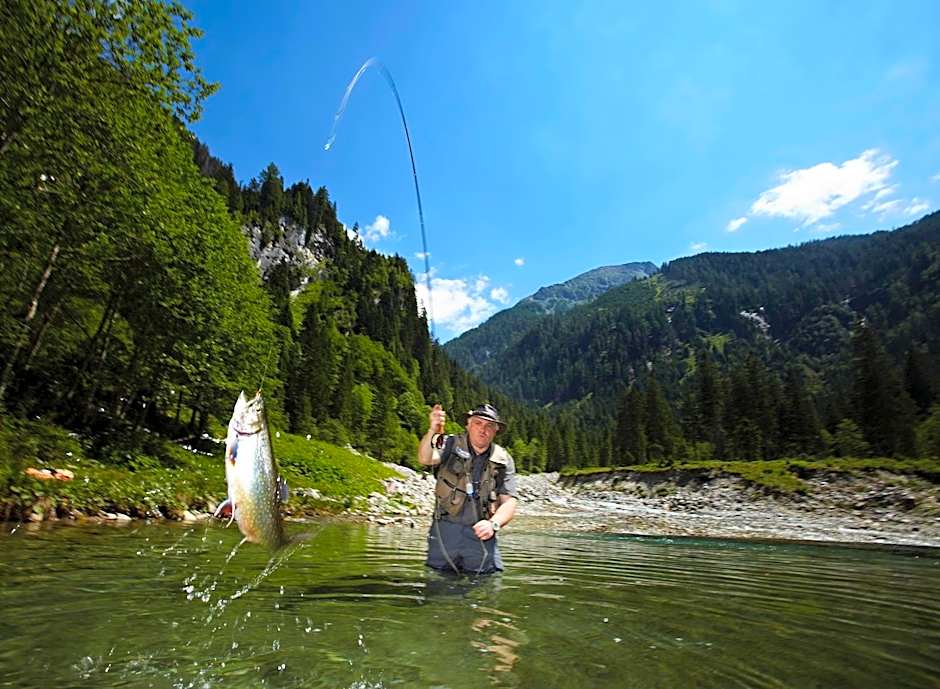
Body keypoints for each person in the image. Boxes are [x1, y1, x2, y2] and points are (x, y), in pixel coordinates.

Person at [417, 403, 518, 575]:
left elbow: (509, 502)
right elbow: (425, 458)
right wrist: (432, 430)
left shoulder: (503, 460)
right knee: (437, 586)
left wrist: (493, 524)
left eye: (489, 426)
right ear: (468, 425)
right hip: (444, 531)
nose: (483, 430)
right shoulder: (449, 444)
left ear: (496, 431)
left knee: (486, 586)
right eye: (478, 423)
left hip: (481, 534)